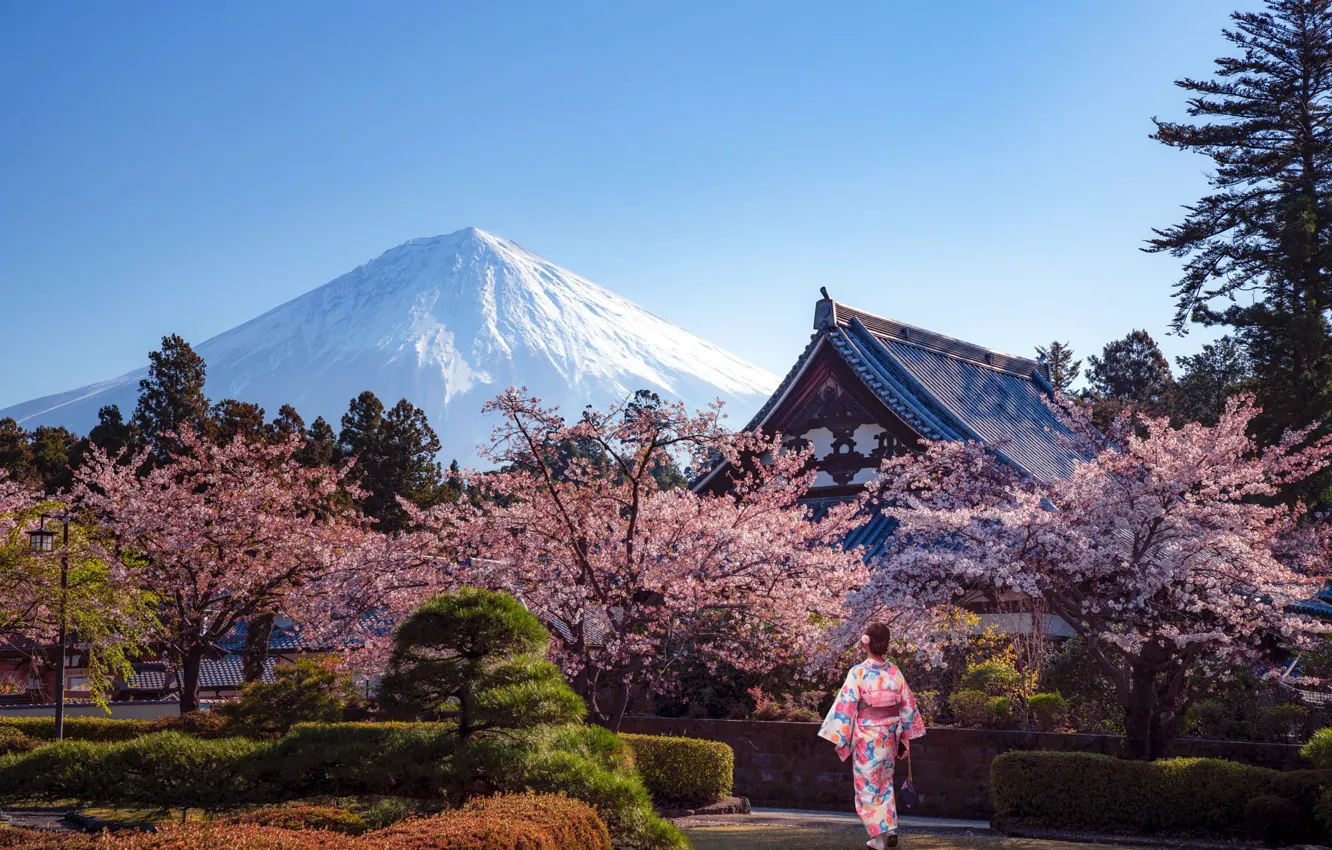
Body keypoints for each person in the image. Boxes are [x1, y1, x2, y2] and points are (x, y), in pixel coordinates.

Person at [818, 622, 925, 850]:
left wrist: (839, 736)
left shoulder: (859, 672)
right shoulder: (894, 672)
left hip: (867, 738)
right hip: (889, 736)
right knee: (885, 783)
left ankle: (878, 839)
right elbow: (907, 707)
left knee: (867, 787)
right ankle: (890, 830)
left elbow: (846, 707)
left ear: (865, 642)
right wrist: (904, 737)